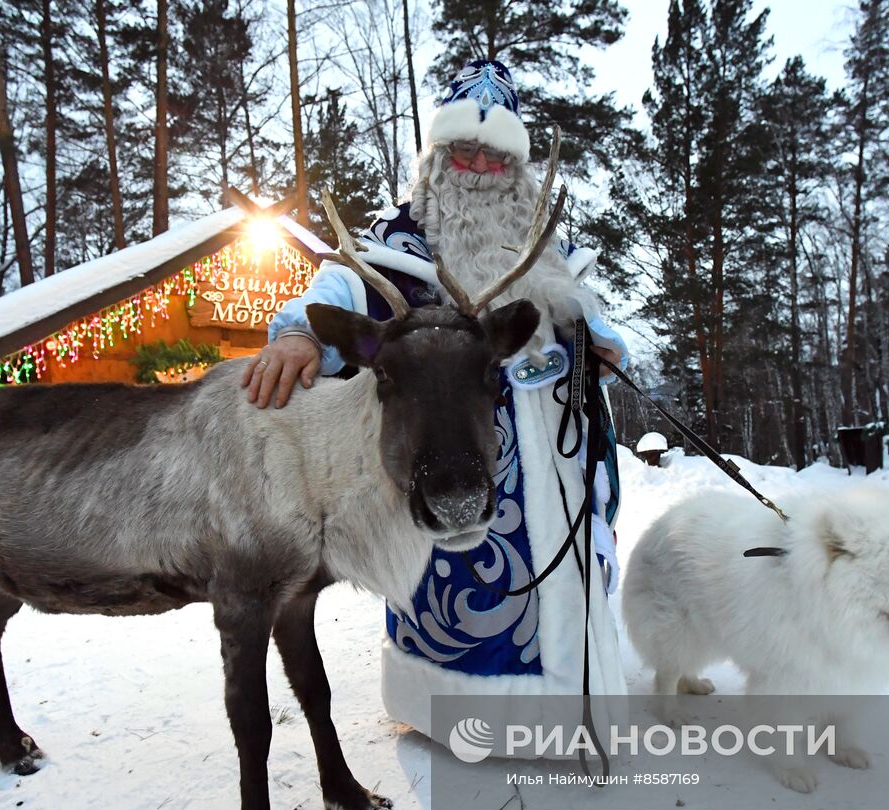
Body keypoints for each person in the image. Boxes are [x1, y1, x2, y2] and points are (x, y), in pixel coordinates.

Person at [241, 59, 629, 739]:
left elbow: (582, 307)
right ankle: (456, 710)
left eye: (493, 154)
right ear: (438, 157)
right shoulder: (400, 244)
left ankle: (571, 698)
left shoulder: (543, 243)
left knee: (560, 575)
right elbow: (340, 288)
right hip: (448, 447)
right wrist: (300, 332)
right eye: (464, 150)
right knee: (465, 581)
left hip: (553, 455)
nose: (478, 165)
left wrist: (599, 338)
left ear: (515, 165)